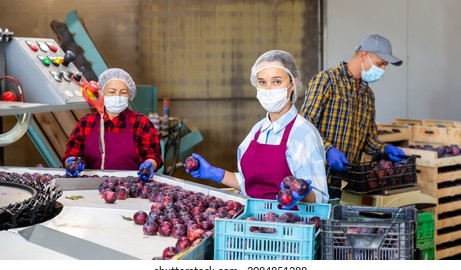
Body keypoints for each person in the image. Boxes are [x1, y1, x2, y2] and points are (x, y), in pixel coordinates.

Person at [186, 50, 329, 206]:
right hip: (253, 221)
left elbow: (320, 197)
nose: (268, 89)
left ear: (292, 84)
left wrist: (303, 194)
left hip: (290, 224)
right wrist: (215, 173)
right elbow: (249, 184)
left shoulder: (304, 134)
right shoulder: (257, 130)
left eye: (277, 82)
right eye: (262, 82)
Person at [300, 34, 406, 198]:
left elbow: (369, 140)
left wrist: (384, 149)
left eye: (385, 66)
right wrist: (328, 150)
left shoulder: (367, 95)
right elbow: (304, 127)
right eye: (380, 64)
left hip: (347, 183)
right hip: (318, 180)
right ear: (364, 55)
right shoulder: (327, 81)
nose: (382, 70)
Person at [63, 68, 163, 181]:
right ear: (101, 93)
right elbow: (71, 153)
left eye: (123, 92)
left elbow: (153, 155)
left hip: (131, 188)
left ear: (129, 95)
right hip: (90, 188)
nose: (118, 96)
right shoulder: (87, 122)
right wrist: (72, 162)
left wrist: (149, 165)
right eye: (112, 92)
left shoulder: (140, 122)